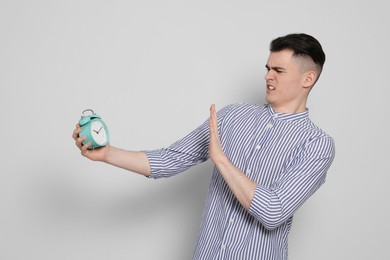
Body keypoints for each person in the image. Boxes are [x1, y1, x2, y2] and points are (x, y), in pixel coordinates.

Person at [73, 33, 335, 260]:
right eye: (267, 68)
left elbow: (273, 210)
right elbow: (169, 160)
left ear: (307, 79)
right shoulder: (233, 116)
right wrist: (106, 153)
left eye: (278, 71)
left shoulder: (316, 145)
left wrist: (221, 160)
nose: (267, 76)